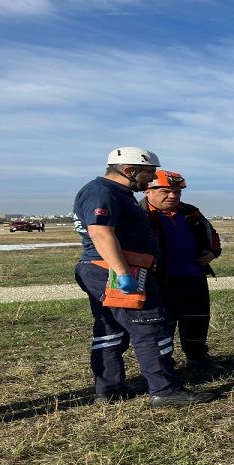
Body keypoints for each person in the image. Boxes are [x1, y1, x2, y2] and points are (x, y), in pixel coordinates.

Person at [71, 147, 215, 407]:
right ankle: (165, 390)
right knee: (151, 328)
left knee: (112, 331)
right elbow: (101, 233)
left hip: (111, 268)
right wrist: (123, 274)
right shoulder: (102, 192)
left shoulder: (115, 193)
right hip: (116, 270)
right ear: (128, 170)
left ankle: (110, 388)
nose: (150, 179)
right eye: (148, 173)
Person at [139, 170, 223, 370]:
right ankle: (164, 365)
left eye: (177, 192)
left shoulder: (191, 212)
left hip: (193, 277)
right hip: (159, 281)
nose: (173, 196)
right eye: (166, 191)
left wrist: (212, 253)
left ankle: (197, 358)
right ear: (147, 191)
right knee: (162, 324)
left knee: (197, 320)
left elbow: (212, 236)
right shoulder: (139, 215)